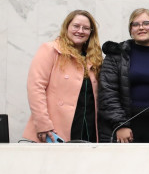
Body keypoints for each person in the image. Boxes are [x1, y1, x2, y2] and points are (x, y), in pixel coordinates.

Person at [99, 8, 149, 143]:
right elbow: (107, 93)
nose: (141, 27)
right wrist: (120, 125)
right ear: (131, 30)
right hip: (124, 128)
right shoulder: (116, 56)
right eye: (135, 24)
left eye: (146, 23)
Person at [24, 10, 103, 143]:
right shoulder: (50, 50)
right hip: (55, 129)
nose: (80, 31)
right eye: (76, 26)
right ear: (67, 27)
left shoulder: (95, 58)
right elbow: (35, 88)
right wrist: (43, 124)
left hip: (88, 128)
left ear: (91, 33)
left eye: (86, 28)